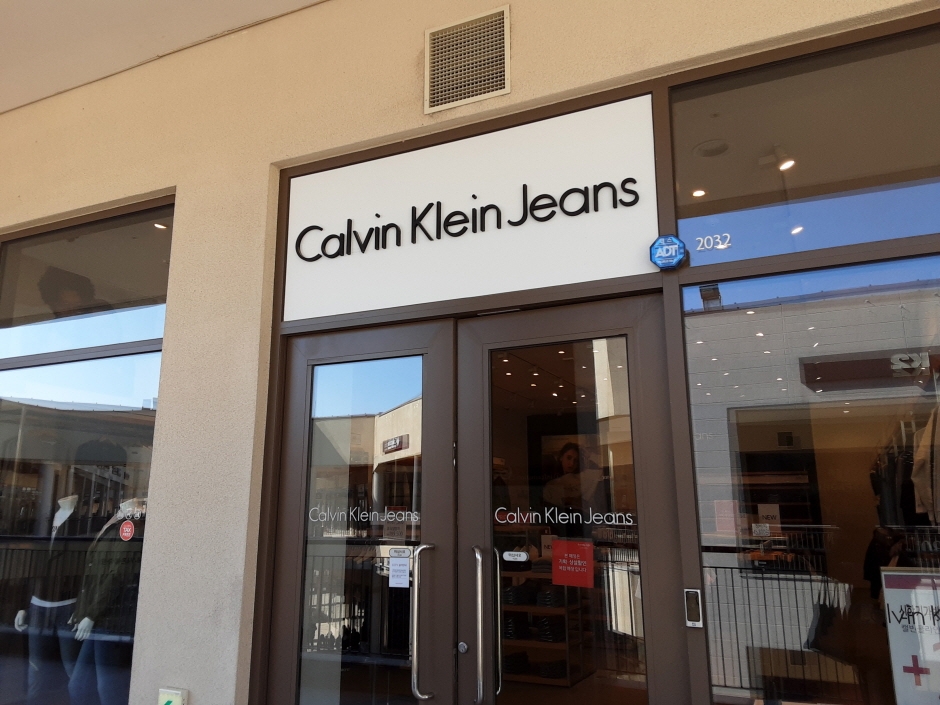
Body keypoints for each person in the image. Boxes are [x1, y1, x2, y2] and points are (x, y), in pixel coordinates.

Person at [37, 266, 111, 319]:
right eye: (65, 305)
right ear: (52, 304)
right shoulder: (47, 330)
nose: (72, 311)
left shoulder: (100, 317)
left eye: (78, 305)